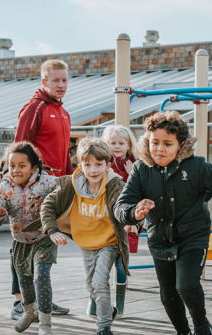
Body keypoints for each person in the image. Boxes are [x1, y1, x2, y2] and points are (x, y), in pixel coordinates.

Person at [113, 111, 212, 335]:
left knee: (186, 285)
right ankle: (183, 332)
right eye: (155, 142)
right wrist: (134, 213)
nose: (159, 149)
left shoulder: (196, 167)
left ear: (180, 145)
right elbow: (120, 206)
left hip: (193, 236)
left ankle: (202, 326)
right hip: (160, 238)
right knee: (167, 295)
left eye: (167, 143)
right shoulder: (141, 169)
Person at [40, 137, 130, 335]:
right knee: (91, 286)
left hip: (109, 242)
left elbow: (126, 206)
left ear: (107, 165)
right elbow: (47, 206)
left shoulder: (115, 185)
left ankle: (104, 327)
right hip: (86, 242)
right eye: (87, 165)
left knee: (100, 282)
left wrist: (133, 222)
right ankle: (109, 311)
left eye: (99, 164)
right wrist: (53, 230)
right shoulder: (71, 185)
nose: (93, 170)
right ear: (80, 166)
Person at [0, 142, 59, 335]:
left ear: (34, 167)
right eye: (12, 166)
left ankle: (45, 324)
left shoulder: (48, 182)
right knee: (24, 280)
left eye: (22, 165)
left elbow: (64, 198)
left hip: (44, 238)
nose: (16, 170)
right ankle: (29, 311)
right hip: (20, 242)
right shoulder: (5, 186)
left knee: (41, 277)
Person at [79, 125, 141, 318]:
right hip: (102, 221)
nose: (117, 146)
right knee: (97, 266)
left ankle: (119, 305)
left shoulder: (135, 164)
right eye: (112, 142)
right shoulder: (100, 163)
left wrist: (132, 173)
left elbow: (138, 192)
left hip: (125, 221)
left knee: (121, 265)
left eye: (121, 143)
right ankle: (94, 301)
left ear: (129, 144)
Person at [15, 59, 72, 177]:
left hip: (60, 184)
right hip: (38, 183)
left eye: (64, 80)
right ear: (44, 82)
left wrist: (70, 177)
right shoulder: (34, 108)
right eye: (56, 80)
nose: (61, 85)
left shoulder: (65, 114)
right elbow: (19, 149)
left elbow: (66, 152)